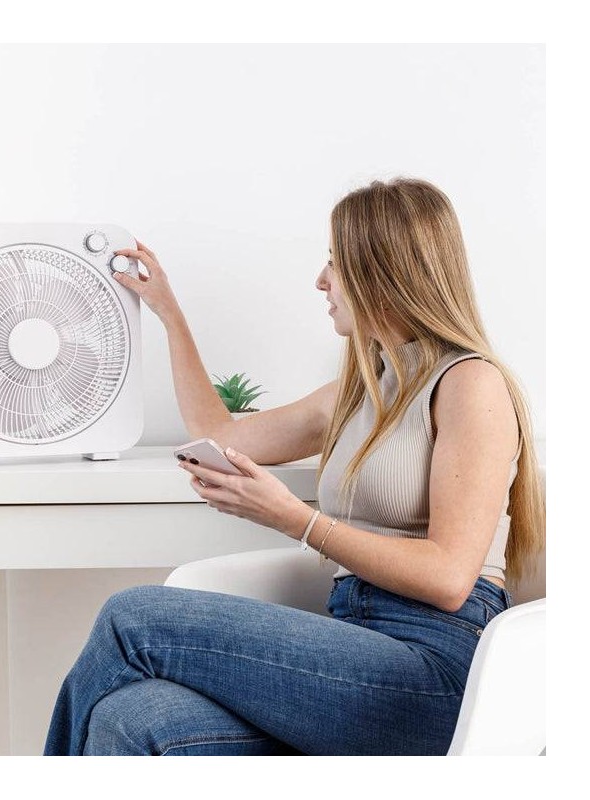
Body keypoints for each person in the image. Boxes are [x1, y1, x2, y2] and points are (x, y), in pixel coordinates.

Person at [43, 177, 545, 756]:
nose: (321, 280)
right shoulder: (358, 393)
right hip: (351, 651)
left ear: (382, 271)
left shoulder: (471, 384)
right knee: (131, 716)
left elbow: (450, 579)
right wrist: (168, 313)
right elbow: (221, 435)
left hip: (435, 674)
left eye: (335, 261)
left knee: (131, 616)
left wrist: (293, 519)